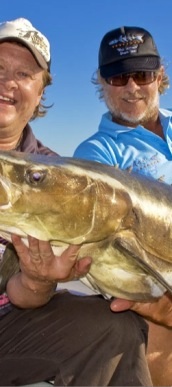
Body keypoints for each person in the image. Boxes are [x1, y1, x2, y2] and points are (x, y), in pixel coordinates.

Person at [0, 18, 153, 387]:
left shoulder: (61, 181)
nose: (8, 83)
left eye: (25, 74)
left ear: (40, 94)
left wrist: (36, 280)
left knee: (116, 330)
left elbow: (24, 293)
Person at [74, 26, 172, 386]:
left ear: (160, 75)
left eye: (142, 74)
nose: (132, 87)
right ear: (101, 82)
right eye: (118, 77)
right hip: (159, 280)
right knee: (153, 328)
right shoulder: (95, 156)